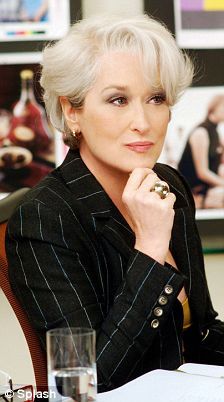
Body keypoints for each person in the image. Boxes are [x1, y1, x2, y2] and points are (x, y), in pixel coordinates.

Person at [5, 15, 224, 393]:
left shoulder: (168, 184)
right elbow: (88, 381)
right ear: (73, 112)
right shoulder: (45, 217)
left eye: (156, 98)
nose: (143, 121)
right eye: (118, 100)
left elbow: (201, 330)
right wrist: (151, 248)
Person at [178, 95, 224, 209]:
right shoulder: (201, 132)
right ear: (214, 107)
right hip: (192, 192)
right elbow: (202, 172)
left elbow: (218, 165)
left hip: (206, 189)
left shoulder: (216, 134)